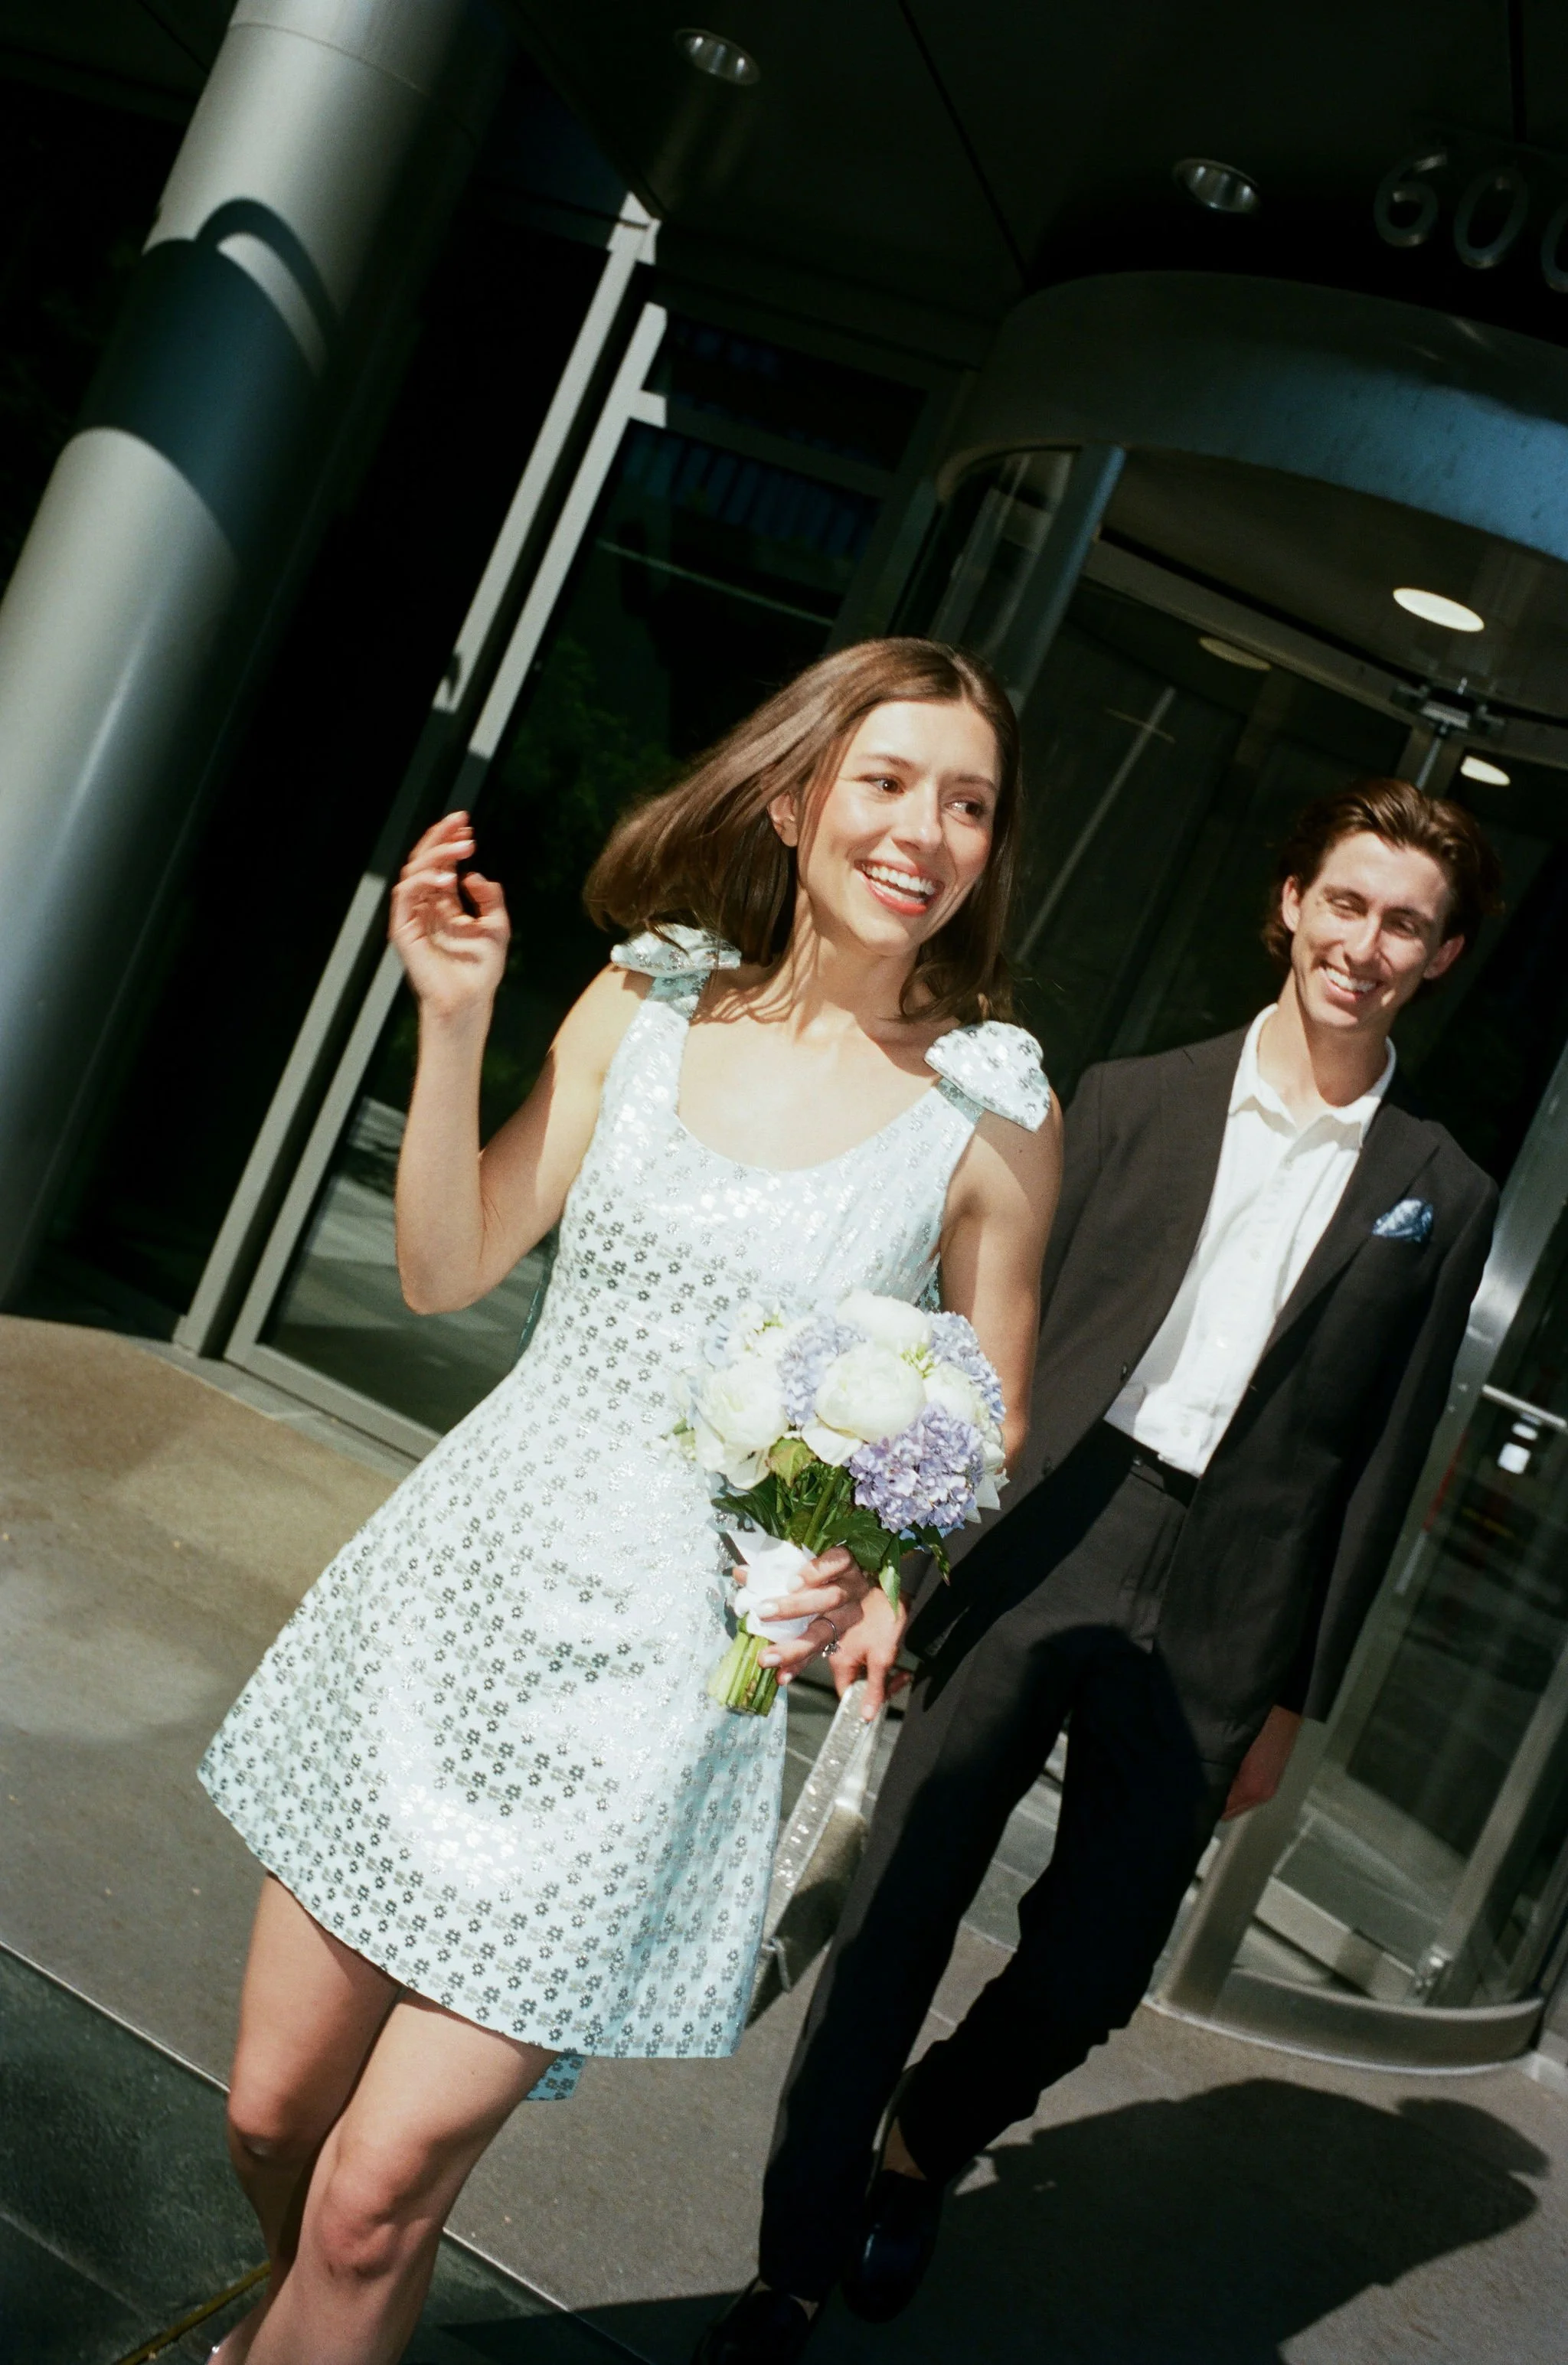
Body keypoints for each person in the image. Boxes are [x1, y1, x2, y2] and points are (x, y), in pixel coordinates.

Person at [194, 636, 1061, 2365]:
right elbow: (448, 1263)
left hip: (659, 1691)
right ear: (801, 793)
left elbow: (990, 1410)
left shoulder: (988, 1107)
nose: (926, 830)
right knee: (275, 2123)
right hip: (445, 1607)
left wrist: (873, 1565)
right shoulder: (642, 1002)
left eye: (967, 802)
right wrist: (451, 1023)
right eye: (889, 782)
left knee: (378, 2193)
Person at [700, 776, 1503, 2362]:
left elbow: (1387, 1455)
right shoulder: (1126, 1097)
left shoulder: (1444, 1187)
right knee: (896, 1924)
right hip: (1043, 1540)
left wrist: (1295, 1691)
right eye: (1342, 902)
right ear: (1288, 904)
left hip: (1225, 1608)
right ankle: (786, 2272)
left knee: (1090, 1973)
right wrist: (899, 1565)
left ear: (1442, 953)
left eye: (1402, 921)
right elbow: (983, 1341)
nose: (1363, 941)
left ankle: (925, 2138)